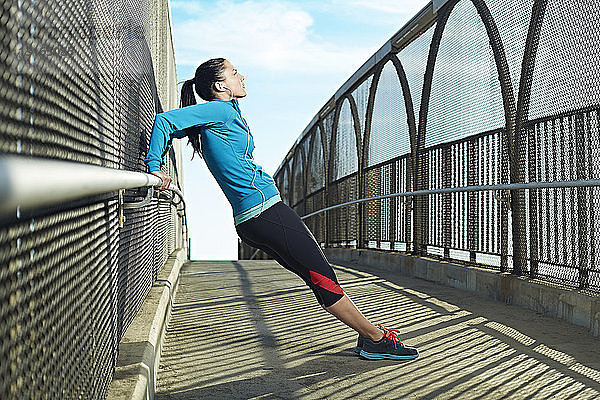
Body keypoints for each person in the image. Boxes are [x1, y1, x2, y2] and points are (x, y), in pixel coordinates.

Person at [144, 58, 418, 360]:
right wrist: (154, 167)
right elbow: (165, 122)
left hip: (253, 219)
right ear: (221, 85)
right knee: (322, 276)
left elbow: (178, 127)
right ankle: (375, 338)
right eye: (235, 73)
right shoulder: (219, 110)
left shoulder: (221, 113)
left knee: (316, 276)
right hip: (266, 212)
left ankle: (370, 336)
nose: (242, 76)